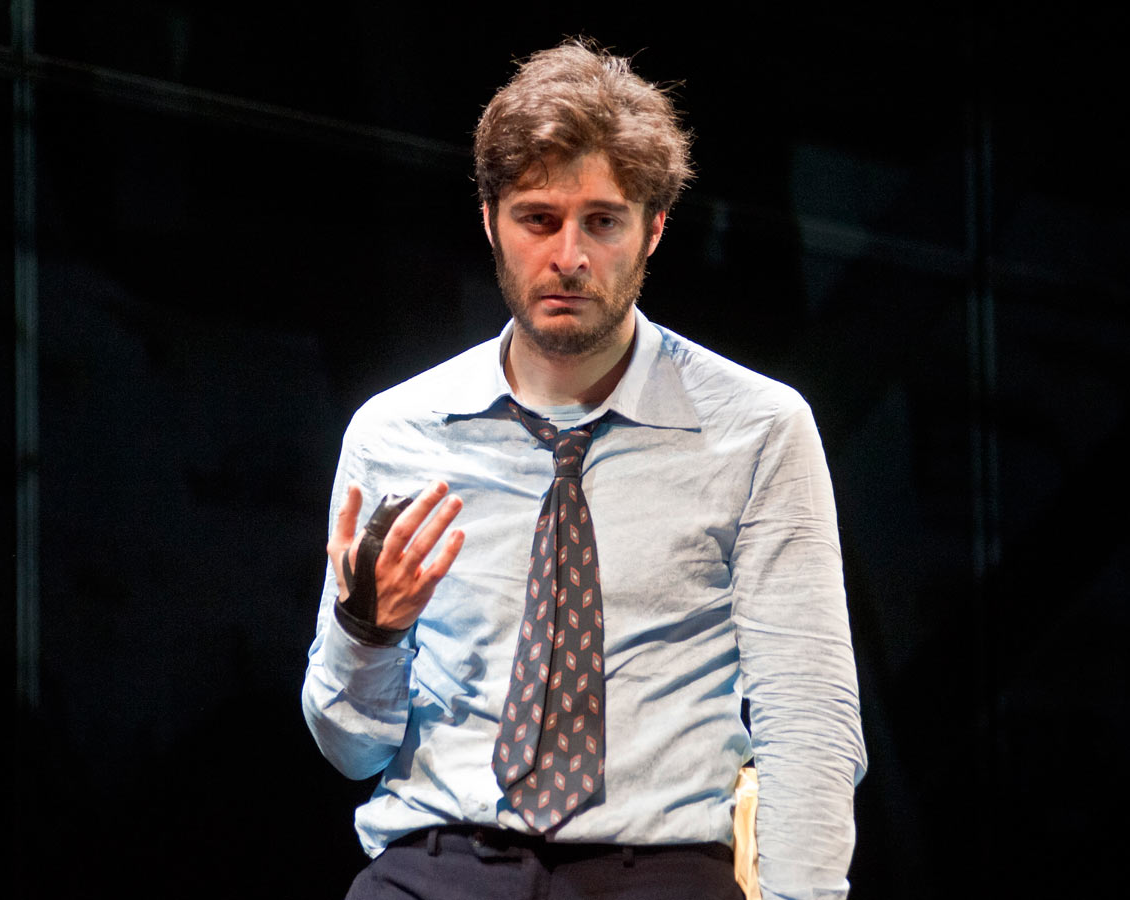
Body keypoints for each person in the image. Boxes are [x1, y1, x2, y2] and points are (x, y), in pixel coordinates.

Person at [302, 39, 866, 900]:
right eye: (539, 219)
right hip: (440, 863)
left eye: (602, 221)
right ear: (490, 220)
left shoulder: (755, 429)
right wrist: (367, 634)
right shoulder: (399, 432)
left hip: (658, 869)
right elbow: (351, 750)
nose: (568, 255)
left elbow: (808, 715)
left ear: (654, 230)